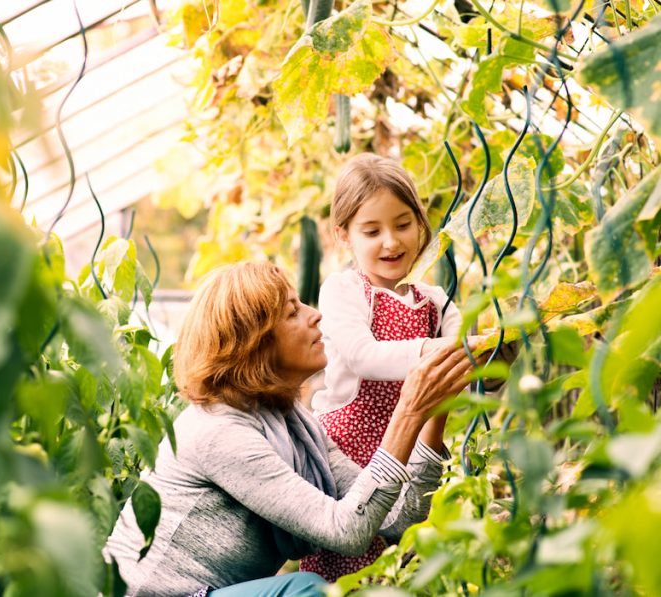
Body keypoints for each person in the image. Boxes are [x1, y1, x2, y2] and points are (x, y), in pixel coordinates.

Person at [104, 262, 474, 596]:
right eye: (293, 311)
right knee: (306, 592)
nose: (315, 316)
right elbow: (347, 532)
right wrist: (408, 412)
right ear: (254, 342)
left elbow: (397, 518)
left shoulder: (293, 423)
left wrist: (436, 404)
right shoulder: (219, 432)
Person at [301, 153, 478, 579]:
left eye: (403, 224)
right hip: (345, 454)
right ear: (343, 235)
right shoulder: (344, 290)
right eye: (372, 230)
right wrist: (442, 352)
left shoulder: (436, 300)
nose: (391, 242)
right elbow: (365, 356)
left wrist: (490, 355)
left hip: (412, 448)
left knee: (404, 565)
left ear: (420, 222)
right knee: (352, 567)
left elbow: (468, 371)